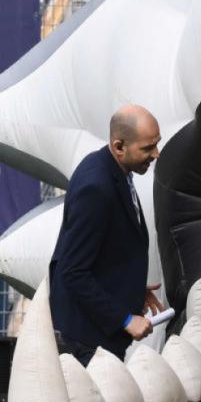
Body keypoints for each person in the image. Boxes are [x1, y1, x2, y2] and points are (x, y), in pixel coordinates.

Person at [50, 105, 163, 365]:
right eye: (147, 148)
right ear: (118, 146)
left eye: (156, 144)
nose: (155, 154)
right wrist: (124, 319)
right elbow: (72, 272)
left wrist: (130, 287)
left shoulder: (112, 169)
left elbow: (104, 251)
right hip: (88, 341)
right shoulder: (96, 187)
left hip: (96, 338)